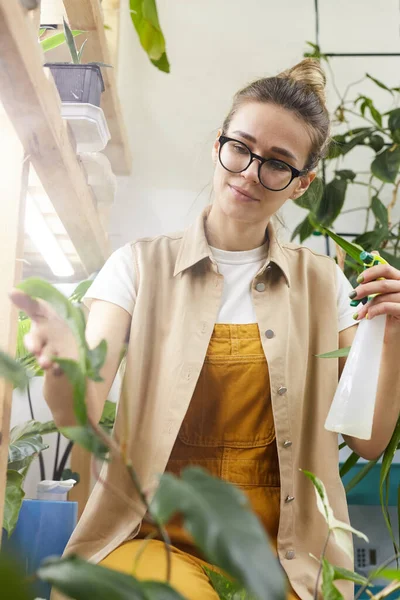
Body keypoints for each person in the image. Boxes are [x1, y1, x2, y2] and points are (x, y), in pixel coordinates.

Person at [11, 58, 400, 600]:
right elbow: (78, 411)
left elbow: (368, 438)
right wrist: (64, 363)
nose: (247, 172)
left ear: (302, 184)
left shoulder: (324, 284)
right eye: (239, 147)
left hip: (287, 556)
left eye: (277, 163)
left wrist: (395, 332)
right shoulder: (136, 267)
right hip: (156, 541)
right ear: (219, 142)